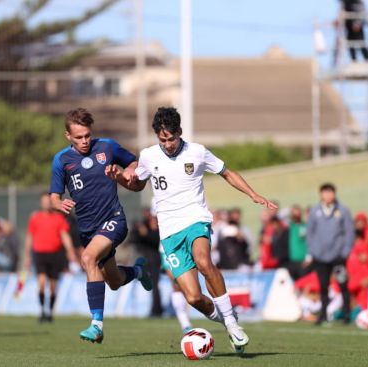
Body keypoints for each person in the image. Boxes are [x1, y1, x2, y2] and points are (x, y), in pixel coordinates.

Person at [121, 106, 277, 353]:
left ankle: (233, 325)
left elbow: (227, 172)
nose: (168, 144)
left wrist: (253, 194)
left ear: (179, 132)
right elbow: (137, 185)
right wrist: (119, 178)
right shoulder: (149, 156)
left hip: (196, 220)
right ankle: (228, 319)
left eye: (171, 138)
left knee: (204, 262)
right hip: (169, 233)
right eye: (163, 139)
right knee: (193, 298)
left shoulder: (197, 152)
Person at [49, 107, 152, 344]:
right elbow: (53, 196)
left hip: (113, 220)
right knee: (113, 282)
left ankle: (96, 325)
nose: (85, 141)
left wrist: (126, 172)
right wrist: (58, 204)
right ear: (68, 136)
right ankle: (138, 271)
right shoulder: (61, 160)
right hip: (88, 230)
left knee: (88, 259)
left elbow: (134, 162)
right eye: (79, 137)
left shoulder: (107, 146)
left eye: (87, 135)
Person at [23, 193, 79, 323]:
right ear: (40, 203)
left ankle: (50, 311)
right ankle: (42, 310)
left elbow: (65, 236)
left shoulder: (59, 218)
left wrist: (70, 252)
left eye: (48, 201)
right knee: (41, 283)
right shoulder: (35, 218)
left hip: (56, 255)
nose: (47, 203)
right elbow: (29, 237)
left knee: (53, 287)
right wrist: (27, 256)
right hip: (40, 254)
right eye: (44, 201)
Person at [307, 183, 355, 325]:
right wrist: (313, 251)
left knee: (342, 284)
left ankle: (346, 314)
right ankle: (323, 314)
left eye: (330, 192)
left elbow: (349, 232)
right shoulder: (315, 211)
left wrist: (345, 251)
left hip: (338, 257)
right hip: (320, 257)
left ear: (334, 194)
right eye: (325, 193)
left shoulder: (343, 210)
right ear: (321, 195)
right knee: (323, 286)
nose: (328, 196)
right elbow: (310, 233)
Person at [131, 207, 163, 317]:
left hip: (154, 260)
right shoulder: (145, 227)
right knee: (151, 285)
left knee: (154, 285)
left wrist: (144, 233)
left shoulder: (159, 230)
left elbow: (154, 240)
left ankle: (157, 310)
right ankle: (154, 309)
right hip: (145, 260)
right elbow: (134, 239)